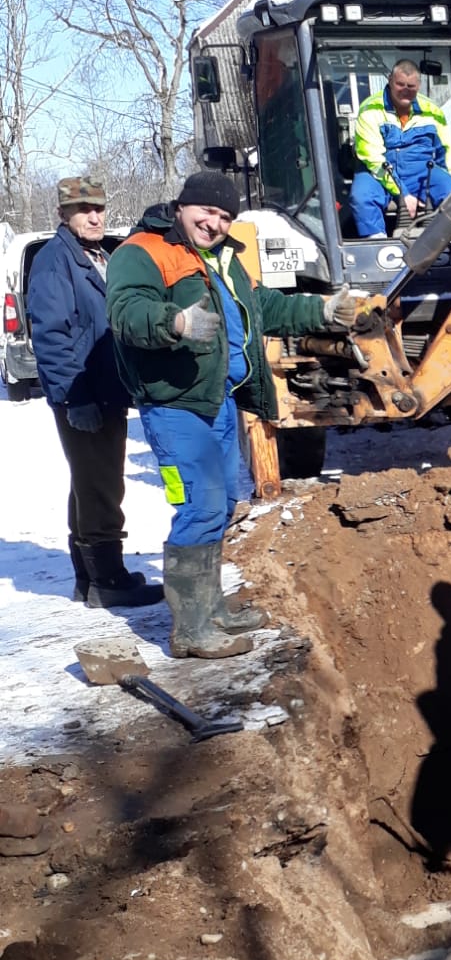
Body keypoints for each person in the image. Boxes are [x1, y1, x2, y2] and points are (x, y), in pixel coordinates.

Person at [107, 171, 361, 659]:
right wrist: (175, 322)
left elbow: (261, 307)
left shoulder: (221, 256)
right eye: (207, 211)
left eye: (225, 216)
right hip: (173, 405)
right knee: (199, 507)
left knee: (222, 507)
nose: (215, 222)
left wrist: (322, 312)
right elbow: (126, 313)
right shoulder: (142, 252)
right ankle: (190, 629)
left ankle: (211, 608)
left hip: (219, 398)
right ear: (182, 206)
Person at [27, 174, 162, 609]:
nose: (94, 215)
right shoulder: (54, 261)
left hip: (105, 389)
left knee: (89, 483)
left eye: (99, 207)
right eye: (83, 209)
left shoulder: (98, 255)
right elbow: (51, 336)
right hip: (84, 393)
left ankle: (90, 578)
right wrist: (74, 397)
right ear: (63, 215)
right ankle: (109, 579)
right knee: (102, 485)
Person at [347, 59, 451, 237]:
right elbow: (373, 158)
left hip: (421, 169)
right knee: (361, 197)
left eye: (411, 86)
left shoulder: (432, 111)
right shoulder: (369, 109)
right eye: (400, 84)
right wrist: (402, 193)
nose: (405, 90)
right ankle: (376, 246)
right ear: (390, 81)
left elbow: (446, 152)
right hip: (379, 172)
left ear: (419, 85)